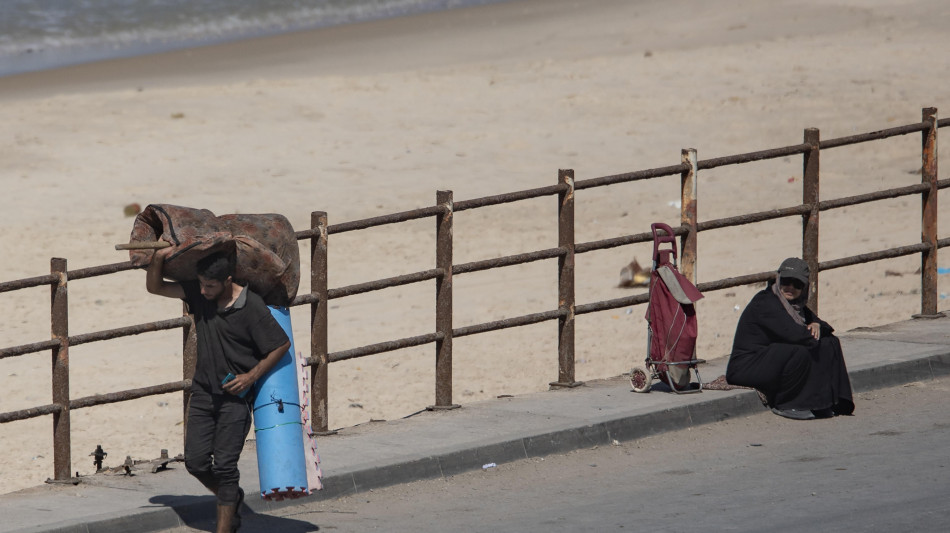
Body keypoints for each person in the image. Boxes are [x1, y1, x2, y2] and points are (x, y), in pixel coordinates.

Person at [147, 250, 290, 533]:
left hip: (235, 400)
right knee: (196, 463)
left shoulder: (252, 307)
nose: (202, 291)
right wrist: (157, 258)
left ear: (227, 280)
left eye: (209, 286)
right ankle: (231, 496)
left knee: (225, 467)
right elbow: (156, 287)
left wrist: (251, 376)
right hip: (202, 394)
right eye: (200, 284)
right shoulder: (201, 295)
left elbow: (280, 344)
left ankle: (226, 523)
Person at [726, 257, 854, 420]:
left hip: (769, 361)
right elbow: (796, 335)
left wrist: (817, 324)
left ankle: (831, 401)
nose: (790, 287)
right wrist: (815, 331)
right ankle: (788, 404)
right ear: (778, 280)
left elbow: (825, 328)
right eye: (786, 281)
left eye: (797, 284)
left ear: (804, 287)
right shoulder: (766, 303)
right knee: (800, 351)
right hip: (745, 368)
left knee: (831, 342)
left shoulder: (795, 306)